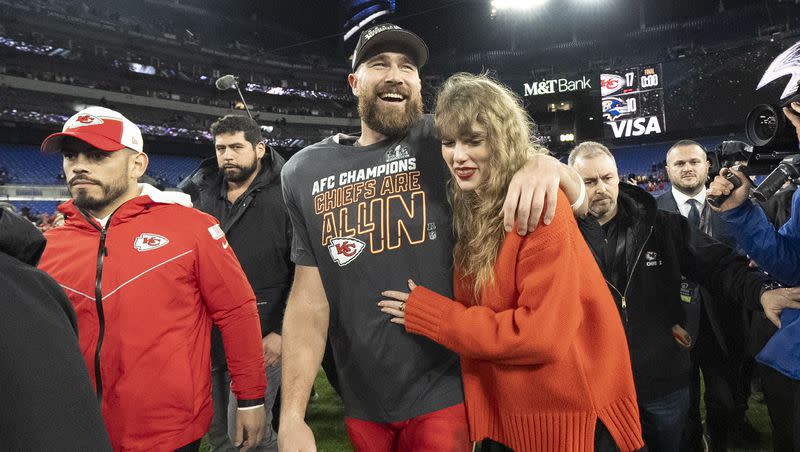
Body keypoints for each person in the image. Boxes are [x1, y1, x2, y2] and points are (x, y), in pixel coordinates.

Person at [278, 24, 586, 452]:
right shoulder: (302, 171)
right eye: (379, 63)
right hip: (362, 400)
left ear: (419, 83)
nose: (396, 74)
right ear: (354, 82)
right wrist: (291, 416)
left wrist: (550, 167)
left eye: (408, 66)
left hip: (448, 388)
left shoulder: (440, 141)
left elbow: (535, 169)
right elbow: (309, 299)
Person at [379, 73, 644, 452]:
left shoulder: (539, 206)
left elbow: (539, 335)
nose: (458, 155)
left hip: (569, 427)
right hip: (511, 422)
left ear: (502, 140)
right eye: (449, 142)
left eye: (473, 141)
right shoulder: (470, 204)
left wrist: (435, 316)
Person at [36, 106, 268, 451]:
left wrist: (250, 398)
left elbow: (236, 311)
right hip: (73, 427)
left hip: (168, 431)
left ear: (137, 165)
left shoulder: (191, 228)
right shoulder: (46, 246)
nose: (79, 165)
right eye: (71, 155)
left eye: (97, 155)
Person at [569, 141, 795, 452]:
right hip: (597, 386)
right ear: (572, 182)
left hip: (661, 381)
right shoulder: (559, 238)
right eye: (589, 181)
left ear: (618, 177)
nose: (600, 189)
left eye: (607, 178)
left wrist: (761, 292)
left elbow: (719, 264)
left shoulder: (661, 225)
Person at [180, 114, 293, 452]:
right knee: (216, 434)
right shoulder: (198, 194)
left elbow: (305, 267)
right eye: (220, 148)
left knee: (247, 435)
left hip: (264, 333)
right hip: (207, 334)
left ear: (259, 149)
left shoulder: (286, 193)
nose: (227, 155)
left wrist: (284, 330)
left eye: (236, 147)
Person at [708, 101, 800, 452]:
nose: (793, 131)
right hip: (790, 365)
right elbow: (790, 262)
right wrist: (741, 214)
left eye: (797, 121)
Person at [657, 140, 755, 451]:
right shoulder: (652, 212)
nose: (687, 168)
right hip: (674, 325)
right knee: (682, 407)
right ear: (667, 170)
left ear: (707, 166)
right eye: (679, 163)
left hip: (724, 321)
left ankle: (721, 439)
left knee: (725, 401)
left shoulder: (736, 206)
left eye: (694, 162)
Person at [0, 207, 112, 451]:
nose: (79, 167)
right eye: (70, 164)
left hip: (163, 418)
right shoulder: (45, 261)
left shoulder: (24, 284)